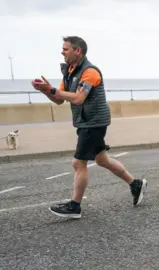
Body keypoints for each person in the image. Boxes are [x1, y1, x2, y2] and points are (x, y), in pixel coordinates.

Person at [31, 36, 147, 219]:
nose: (62, 52)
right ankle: (135, 184)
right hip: (85, 121)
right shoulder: (69, 71)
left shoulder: (90, 72)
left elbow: (78, 98)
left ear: (78, 51)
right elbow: (60, 100)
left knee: (78, 163)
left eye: (66, 49)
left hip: (94, 122)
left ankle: (74, 206)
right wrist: (45, 90)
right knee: (102, 160)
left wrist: (52, 89)